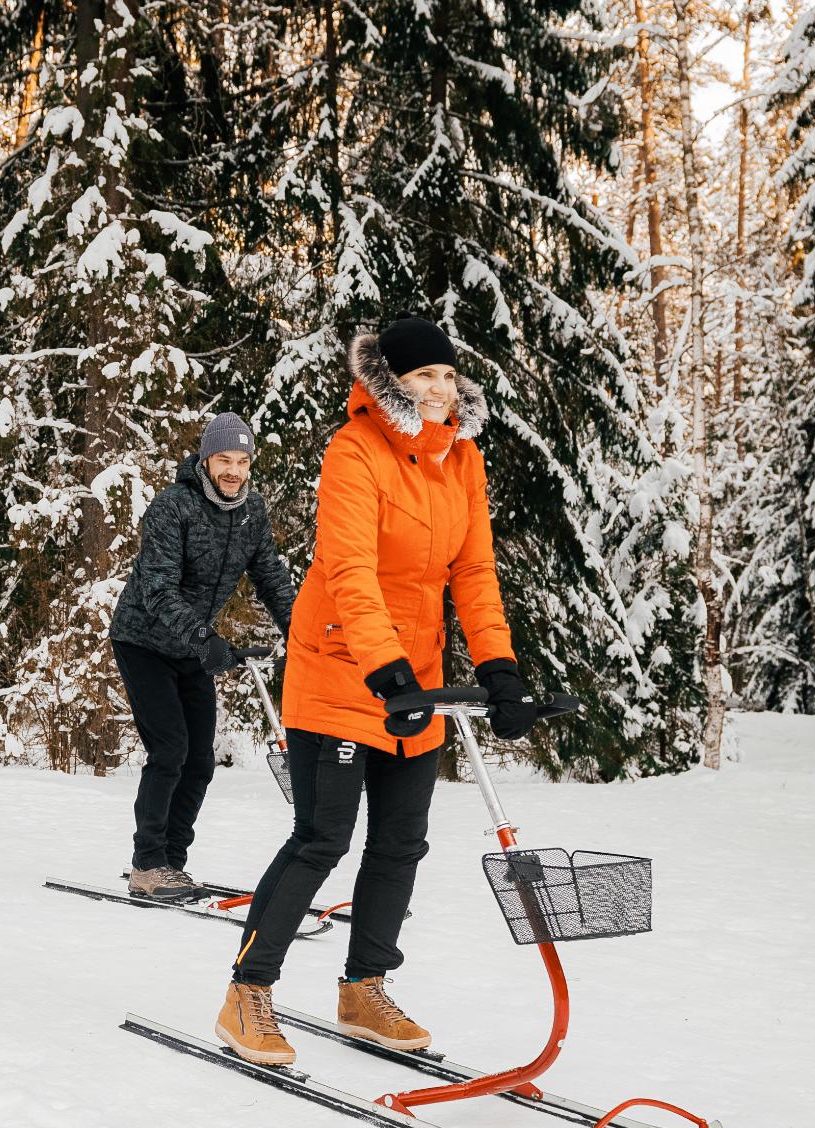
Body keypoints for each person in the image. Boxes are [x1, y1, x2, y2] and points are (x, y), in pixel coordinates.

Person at [215, 316, 542, 1067]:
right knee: (321, 838)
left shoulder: (462, 461)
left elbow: (474, 574)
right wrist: (384, 667)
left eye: (445, 376)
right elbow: (350, 569)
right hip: (340, 669)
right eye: (420, 376)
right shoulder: (353, 451)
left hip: (412, 681)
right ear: (388, 382)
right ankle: (247, 991)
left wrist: (498, 667)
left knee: (400, 843)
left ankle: (364, 986)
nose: (437, 389)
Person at [108, 413, 295, 899]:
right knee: (169, 750)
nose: (234, 470)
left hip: (191, 645)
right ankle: (147, 865)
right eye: (224, 460)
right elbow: (157, 589)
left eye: (242, 460)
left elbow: (270, 576)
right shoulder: (174, 507)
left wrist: (301, 630)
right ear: (206, 460)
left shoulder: (252, 511)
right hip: (143, 641)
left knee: (199, 763)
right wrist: (204, 638)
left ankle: (172, 861)